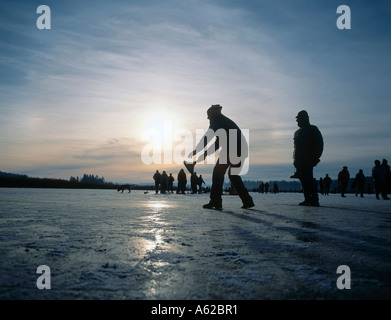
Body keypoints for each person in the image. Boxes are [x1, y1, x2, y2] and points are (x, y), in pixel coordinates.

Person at [188, 104, 254, 209]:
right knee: (233, 175)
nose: (207, 118)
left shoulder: (216, 119)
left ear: (212, 113)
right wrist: (205, 153)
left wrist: (197, 150)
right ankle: (247, 201)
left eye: (208, 115)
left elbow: (208, 136)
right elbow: (217, 143)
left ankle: (215, 201)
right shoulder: (223, 121)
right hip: (241, 148)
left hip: (233, 148)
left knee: (217, 173)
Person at [293, 110, 324, 206]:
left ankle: (314, 199)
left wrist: (316, 157)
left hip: (308, 159)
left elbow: (319, 144)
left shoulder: (313, 129)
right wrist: (295, 160)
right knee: (303, 179)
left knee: (309, 179)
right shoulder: (297, 132)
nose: (297, 122)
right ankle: (307, 198)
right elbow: (296, 148)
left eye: (298, 119)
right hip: (299, 160)